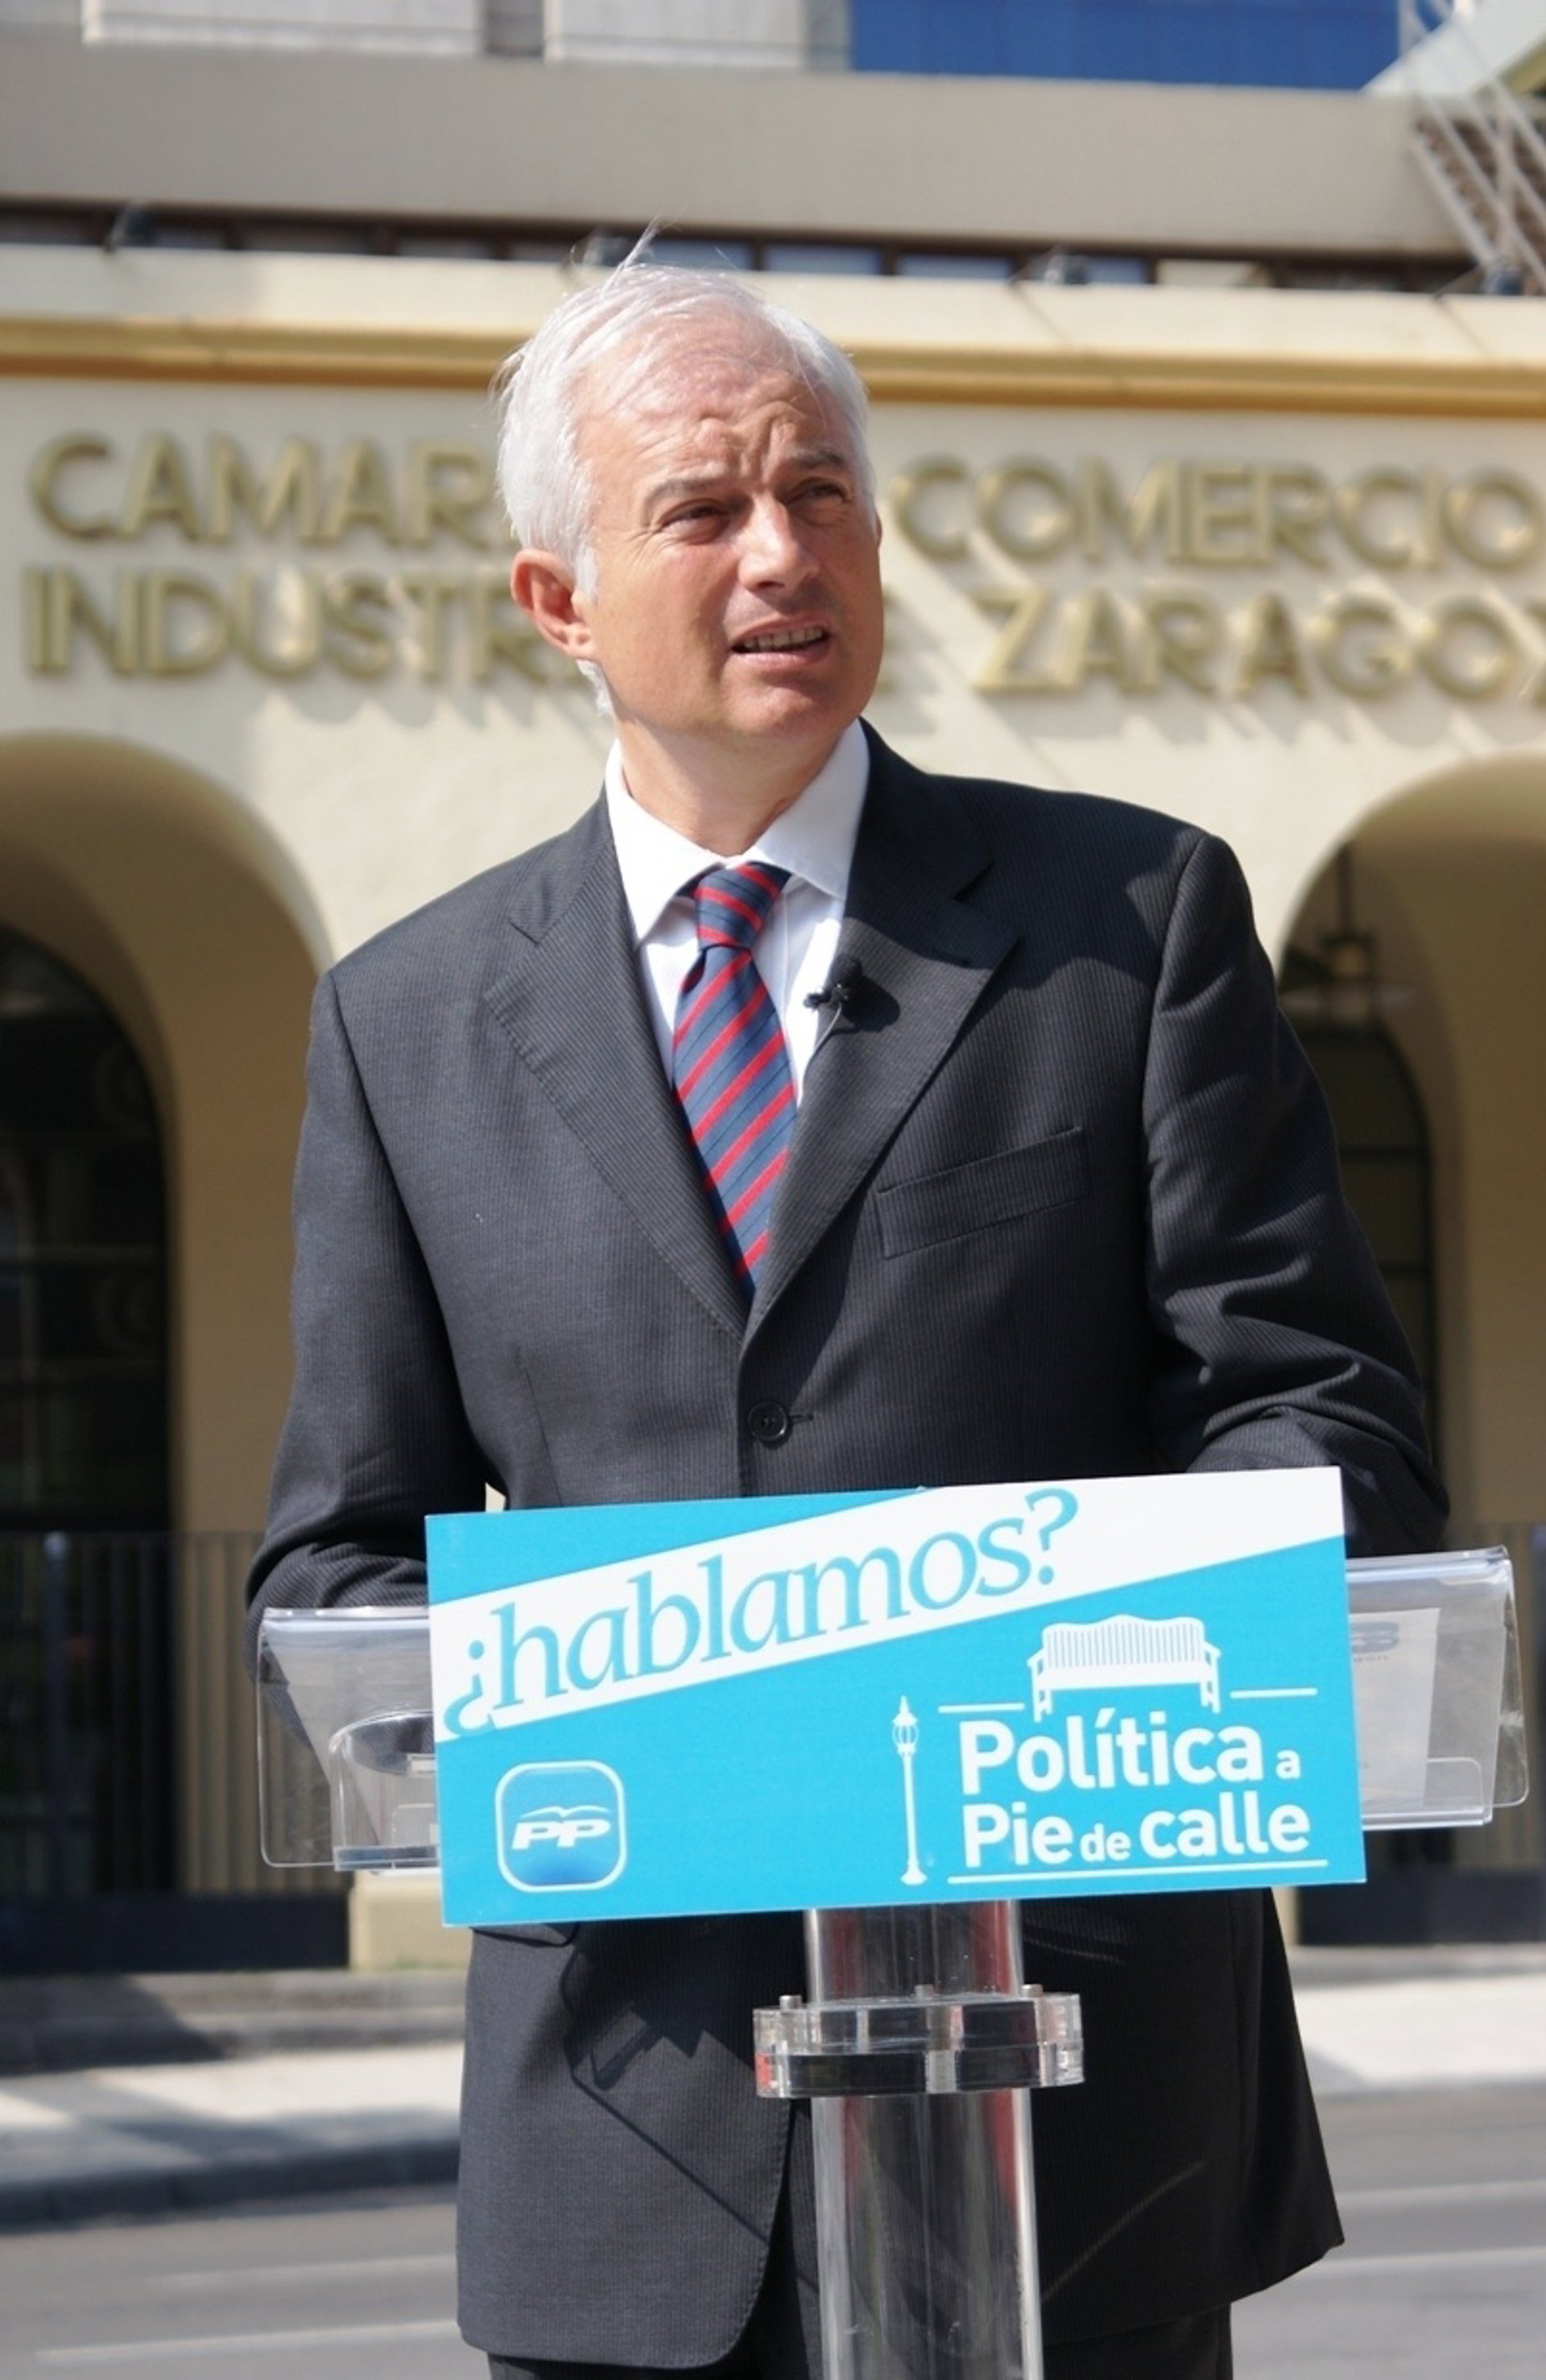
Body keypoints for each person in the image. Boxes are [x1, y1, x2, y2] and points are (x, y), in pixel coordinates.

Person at [247, 260, 1445, 2380]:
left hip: (1078, 2107)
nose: (782, 552)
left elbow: (1320, 1418)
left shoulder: (1130, 922)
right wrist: (621, 1697)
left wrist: (1053, 1642)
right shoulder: (404, 1027)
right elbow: (336, 1566)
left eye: (821, 494)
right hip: (635, 2127)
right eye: (704, 510)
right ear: (558, 599)